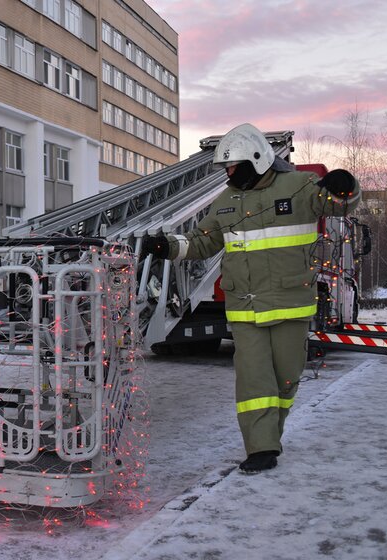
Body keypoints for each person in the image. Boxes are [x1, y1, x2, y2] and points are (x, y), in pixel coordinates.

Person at [143, 123, 360, 473]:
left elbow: (336, 203)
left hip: (290, 305)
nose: (229, 173)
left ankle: (271, 432)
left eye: (233, 166)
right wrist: (167, 246)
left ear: (257, 159)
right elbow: (202, 241)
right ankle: (261, 447)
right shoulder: (227, 201)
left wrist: (345, 185)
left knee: (287, 377)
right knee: (254, 380)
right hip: (245, 309)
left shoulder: (299, 186)